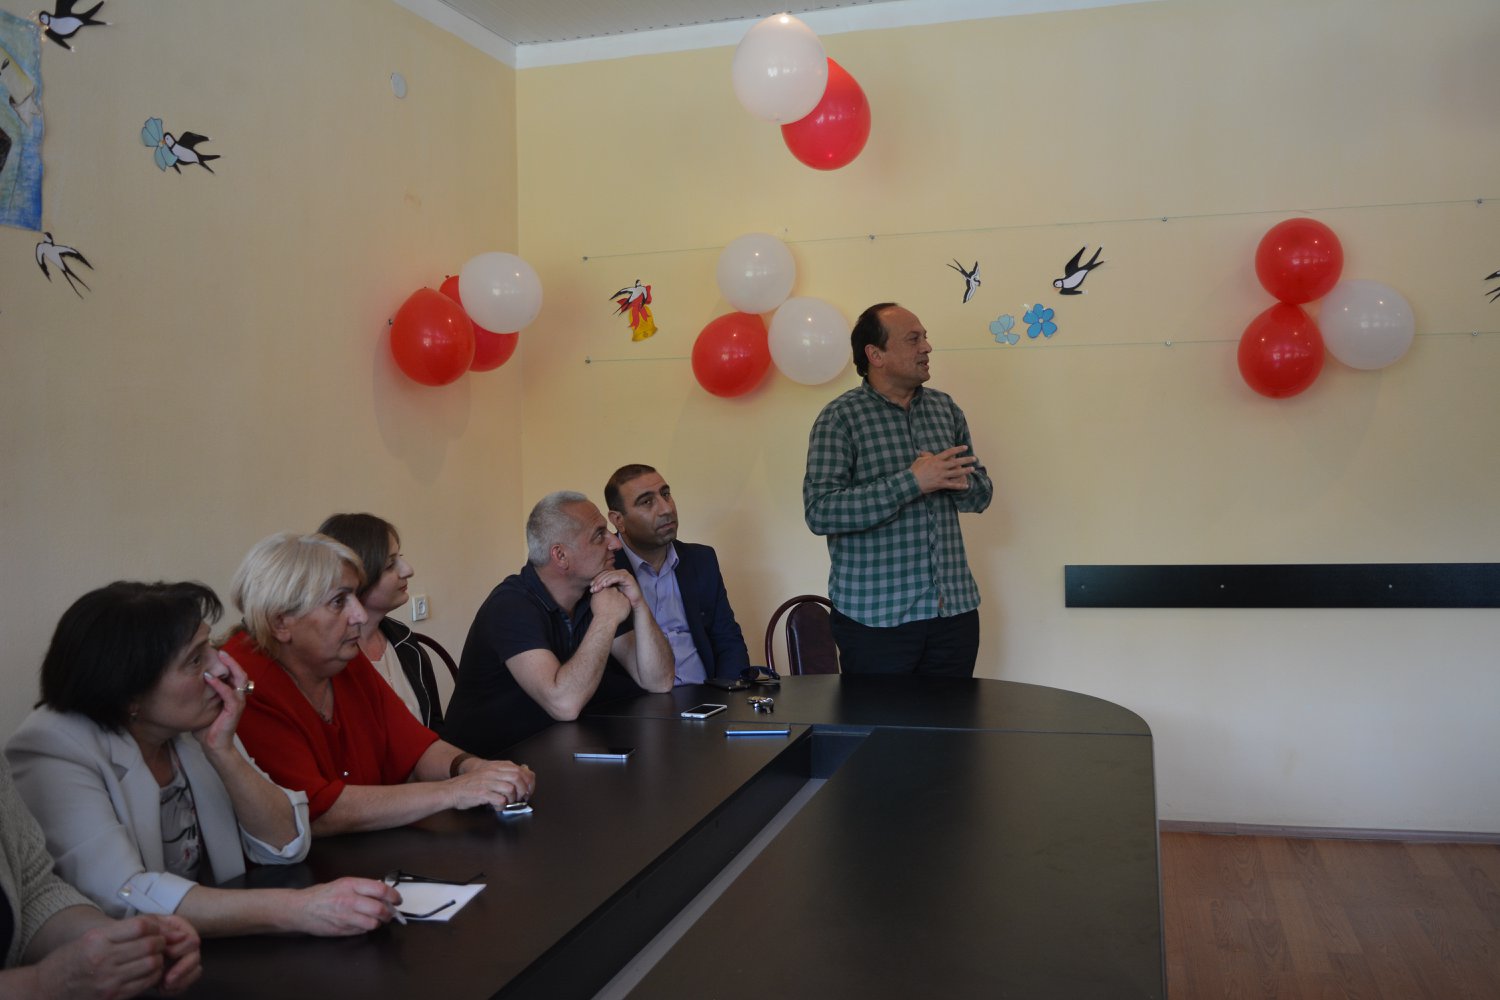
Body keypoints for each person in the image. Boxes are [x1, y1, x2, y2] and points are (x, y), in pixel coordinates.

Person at [5, 582, 401, 938]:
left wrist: (223, 752)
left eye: (209, 646)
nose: (221, 667)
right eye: (196, 660)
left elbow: (285, 843)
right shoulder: (51, 746)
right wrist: (299, 909)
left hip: (206, 949)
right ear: (129, 694)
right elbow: (123, 895)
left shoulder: (190, 727)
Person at [225, 533, 535, 835]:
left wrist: (475, 769)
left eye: (355, 596)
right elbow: (315, 811)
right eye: (338, 602)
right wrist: (455, 791)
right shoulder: (245, 683)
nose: (359, 615)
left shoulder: (341, 657)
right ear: (280, 623)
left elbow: (416, 747)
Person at [803, 302, 994, 676]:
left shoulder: (945, 409)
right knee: (881, 718)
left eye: (925, 338)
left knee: (952, 717)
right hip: (875, 620)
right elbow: (820, 511)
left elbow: (981, 495)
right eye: (913, 339)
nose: (927, 347)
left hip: (953, 613)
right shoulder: (840, 418)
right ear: (876, 355)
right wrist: (913, 482)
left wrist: (959, 482)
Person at [444, 492, 674, 757]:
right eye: (599, 535)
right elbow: (564, 704)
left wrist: (638, 603)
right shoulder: (510, 605)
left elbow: (659, 681)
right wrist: (606, 619)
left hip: (553, 752)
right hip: (487, 765)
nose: (615, 543)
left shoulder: (595, 593)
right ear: (561, 555)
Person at [1, 757, 201, 998]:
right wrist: (43, 983)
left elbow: (33, 891)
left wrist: (129, 943)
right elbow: (125, 887)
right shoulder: (57, 750)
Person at [603, 464, 750, 684]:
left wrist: (729, 695)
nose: (666, 509)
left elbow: (728, 641)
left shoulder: (701, 560)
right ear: (618, 520)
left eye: (665, 494)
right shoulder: (606, 570)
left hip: (707, 694)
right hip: (642, 700)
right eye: (647, 502)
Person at [317, 513, 443, 728]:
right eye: (390, 564)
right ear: (353, 577)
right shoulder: (328, 661)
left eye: (400, 557)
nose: (408, 570)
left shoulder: (404, 639)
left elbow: (435, 728)